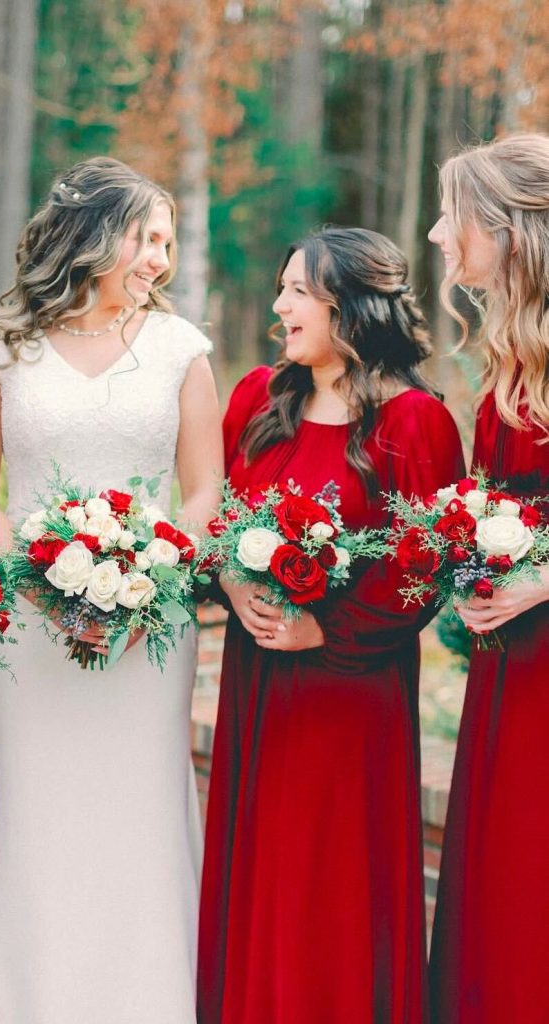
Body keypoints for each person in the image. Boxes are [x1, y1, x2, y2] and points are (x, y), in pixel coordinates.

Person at [0, 156, 222, 1024]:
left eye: (167, 243)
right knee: (45, 822)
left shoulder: (184, 349)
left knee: (141, 818)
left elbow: (205, 492)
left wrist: (149, 583)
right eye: (145, 238)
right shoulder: (0, 348)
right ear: (94, 237)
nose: (159, 259)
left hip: (151, 630)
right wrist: (41, 584)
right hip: (31, 634)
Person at [196, 227, 465, 1024]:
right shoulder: (257, 399)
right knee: (263, 871)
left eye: (298, 293)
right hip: (260, 687)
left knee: (329, 879)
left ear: (352, 304)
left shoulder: (415, 423)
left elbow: (426, 567)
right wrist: (232, 580)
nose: (280, 307)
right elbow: (218, 519)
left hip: (349, 694)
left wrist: (329, 630)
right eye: (281, 290)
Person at [427, 133, 549, 1024]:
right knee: (504, 867)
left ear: (510, 229)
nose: (437, 235)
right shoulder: (511, 350)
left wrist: (541, 582)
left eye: (454, 216)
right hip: (511, 659)